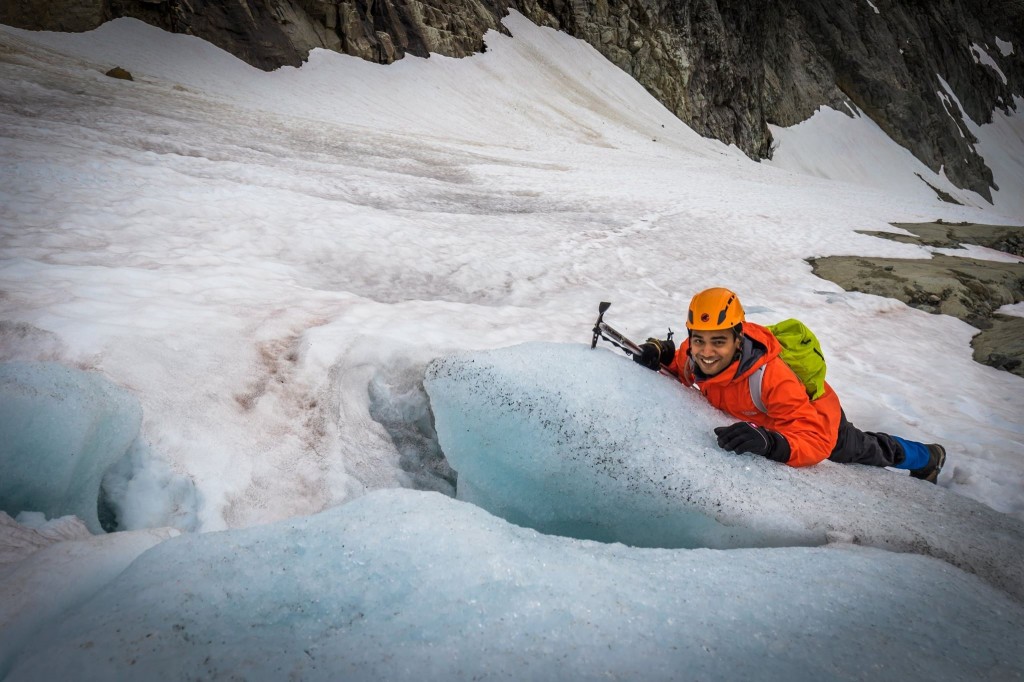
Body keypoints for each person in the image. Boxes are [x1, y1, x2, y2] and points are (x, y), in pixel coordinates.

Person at [633, 287, 946, 482]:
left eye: (718, 341)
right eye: (698, 340)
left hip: (820, 420)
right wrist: (660, 353)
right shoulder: (694, 352)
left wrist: (770, 444)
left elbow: (815, 442)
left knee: (866, 450)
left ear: (738, 338)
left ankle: (928, 457)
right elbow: (681, 367)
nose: (706, 352)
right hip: (767, 418)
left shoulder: (771, 377)